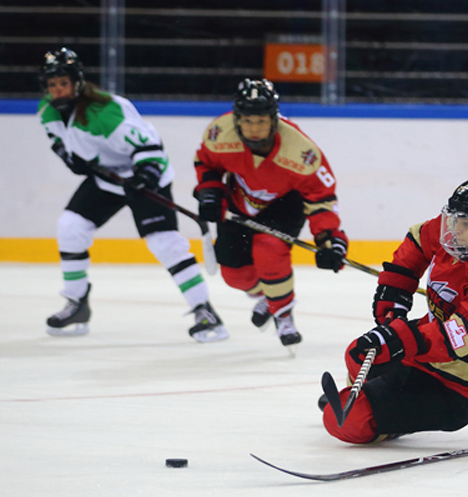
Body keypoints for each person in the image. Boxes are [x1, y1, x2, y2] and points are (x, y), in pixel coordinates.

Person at [322, 177, 468, 444]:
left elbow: (461, 335)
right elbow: (418, 241)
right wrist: (394, 296)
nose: (454, 230)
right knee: (360, 354)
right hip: (444, 350)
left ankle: (380, 416)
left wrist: (400, 340)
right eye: (453, 220)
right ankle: (373, 403)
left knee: (348, 421)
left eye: (465, 224)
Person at [39, 47, 226, 342]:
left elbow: (150, 147)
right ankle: (77, 304)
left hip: (144, 175)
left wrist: (145, 177)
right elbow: (64, 147)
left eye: (63, 83)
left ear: (77, 82)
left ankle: (205, 311)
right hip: (106, 178)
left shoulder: (104, 111)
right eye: (52, 85)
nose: (57, 90)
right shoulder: (48, 112)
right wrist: (70, 156)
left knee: (164, 243)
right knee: (70, 228)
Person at [193, 79, 348, 346]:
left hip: (285, 204)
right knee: (234, 275)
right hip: (239, 202)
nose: (254, 129)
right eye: (248, 121)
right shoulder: (220, 133)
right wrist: (209, 191)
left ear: (274, 120)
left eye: (262, 121)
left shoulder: (301, 152)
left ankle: (283, 314)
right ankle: (268, 296)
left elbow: (321, 199)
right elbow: (207, 163)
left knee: (269, 250)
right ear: (237, 119)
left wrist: (329, 240)